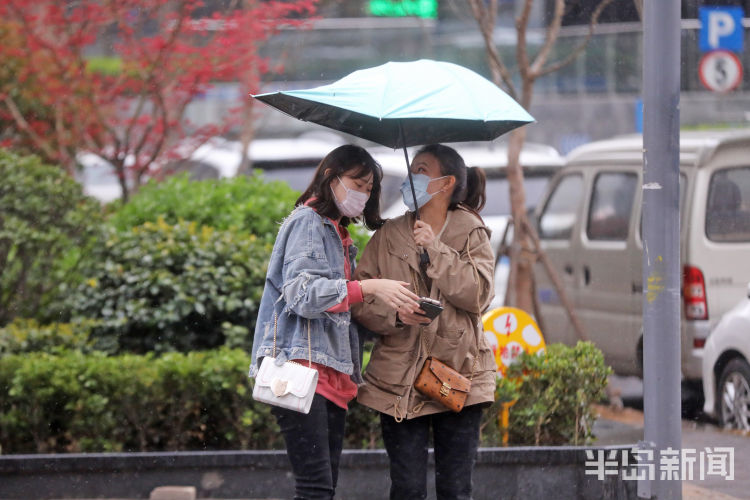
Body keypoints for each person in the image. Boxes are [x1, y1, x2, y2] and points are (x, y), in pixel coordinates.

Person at [249, 144, 420, 500]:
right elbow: (302, 294)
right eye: (357, 183)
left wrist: (395, 313)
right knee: (315, 488)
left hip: (329, 374)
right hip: (302, 370)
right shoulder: (308, 223)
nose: (364, 194)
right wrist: (368, 286)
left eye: (370, 188)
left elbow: (342, 312)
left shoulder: (337, 234)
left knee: (321, 488)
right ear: (331, 177)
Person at [352, 144, 498, 500]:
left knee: (454, 488)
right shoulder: (387, 235)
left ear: (446, 182)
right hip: (398, 379)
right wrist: (396, 315)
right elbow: (361, 299)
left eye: (420, 170)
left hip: (459, 375)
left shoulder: (470, 231)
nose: (410, 179)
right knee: (407, 489)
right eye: (412, 170)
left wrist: (436, 249)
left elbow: (478, 294)